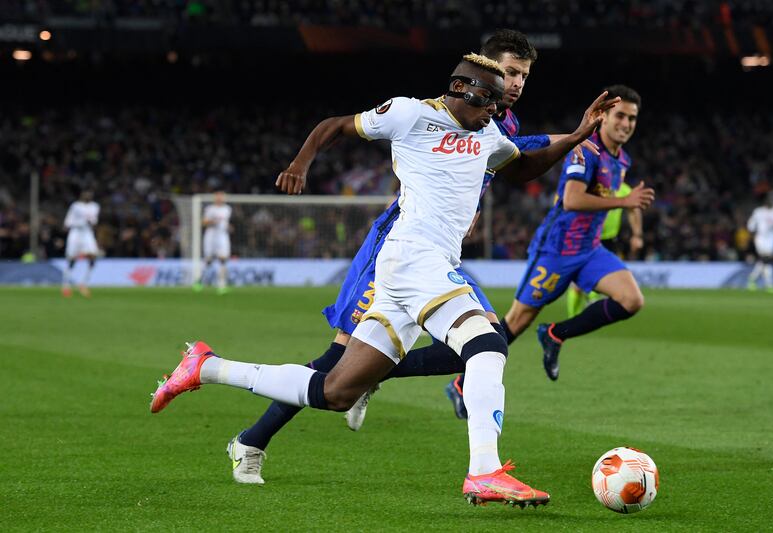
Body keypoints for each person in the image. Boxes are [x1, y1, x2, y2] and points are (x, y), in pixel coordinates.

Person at [150, 52, 616, 506]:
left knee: (335, 391)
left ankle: (207, 367)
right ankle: (484, 472)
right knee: (488, 343)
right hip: (414, 257)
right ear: (461, 89)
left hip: (414, 270)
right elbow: (333, 126)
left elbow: (524, 167)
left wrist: (576, 134)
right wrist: (301, 163)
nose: (497, 111)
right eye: (491, 99)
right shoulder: (410, 113)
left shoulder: (488, 130)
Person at [443, 86, 653, 425]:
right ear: (603, 116)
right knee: (515, 322)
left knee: (631, 299)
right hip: (555, 251)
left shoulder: (621, 159)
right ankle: (460, 383)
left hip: (589, 250)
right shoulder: (584, 150)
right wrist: (624, 202)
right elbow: (572, 199)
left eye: (632, 118)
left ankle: (555, 334)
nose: (626, 124)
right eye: (620, 116)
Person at [565, 180, 643, 318]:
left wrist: (637, 234)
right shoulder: (592, 186)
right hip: (586, 239)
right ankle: (574, 317)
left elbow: (634, 209)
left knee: (603, 276)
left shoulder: (624, 189)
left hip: (609, 240)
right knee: (576, 283)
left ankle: (587, 305)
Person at [62, 190, 100, 298]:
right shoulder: (75, 206)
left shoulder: (95, 206)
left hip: (87, 233)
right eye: (86, 194)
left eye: (90, 194)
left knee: (93, 256)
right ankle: (65, 286)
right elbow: (68, 222)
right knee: (71, 258)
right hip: (75, 232)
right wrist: (73, 224)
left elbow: (94, 221)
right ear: (81, 196)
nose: (88, 195)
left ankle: (83, 283)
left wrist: (91, 222)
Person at [193, 191, 232, 294]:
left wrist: (229, 227)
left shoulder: (227, 209)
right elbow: (204, 222)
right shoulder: (210, 209)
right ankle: (199, 280)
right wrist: (213, 221)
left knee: (223, 259)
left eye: (221, 197)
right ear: (215, 198)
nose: (220, 199)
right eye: (218, 197)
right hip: (210, 236)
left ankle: (221, 284)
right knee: (208, 261)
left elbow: (225, 223)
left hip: (222, 236)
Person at [746, 193, 773, 292]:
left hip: (772, 239)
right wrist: (754, 233)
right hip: (760, 238)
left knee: (764, 260)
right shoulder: (758, 211)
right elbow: (751, 225)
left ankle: (752, 278)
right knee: (766, 259)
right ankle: (769, 284)